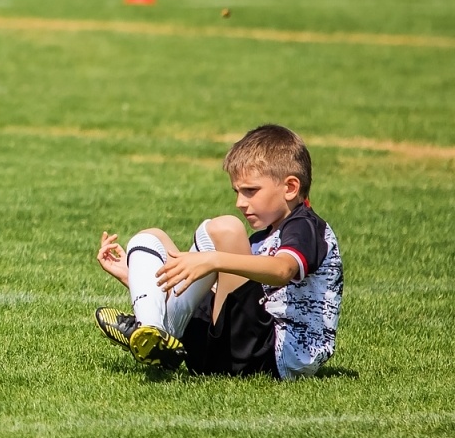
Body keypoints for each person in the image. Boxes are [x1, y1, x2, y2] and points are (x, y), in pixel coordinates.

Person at [95, 124, 343, 379]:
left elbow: (283, 270)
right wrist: (137, 277)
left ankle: (155, 329)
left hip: (277, 355)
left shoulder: (305, 227)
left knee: (226, 229)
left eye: (250, 191)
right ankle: (152, 329)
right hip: (235, 351)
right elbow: (209, 294)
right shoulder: (261, 239)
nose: (240, 202)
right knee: (150, 237)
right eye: (237, 192)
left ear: (290, 187)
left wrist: (213, 260)